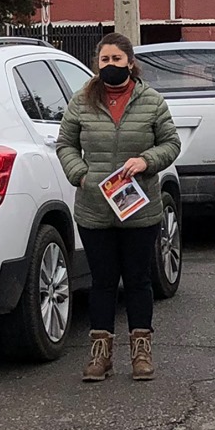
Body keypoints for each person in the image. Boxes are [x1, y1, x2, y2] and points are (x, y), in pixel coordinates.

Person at [57, 32, 181, 383]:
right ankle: (101, 355)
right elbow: (65, 144)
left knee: (139, 280)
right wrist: (80, 175)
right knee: (103, 282)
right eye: (104, 60)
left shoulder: (151, 100)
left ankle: (141, 353)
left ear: (130, 62)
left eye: (116, 59)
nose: (110, 65)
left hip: (140, 208)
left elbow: (171, 143)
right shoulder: (81, 100)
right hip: (94, 207)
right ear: (97, 64)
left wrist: (147, 161)